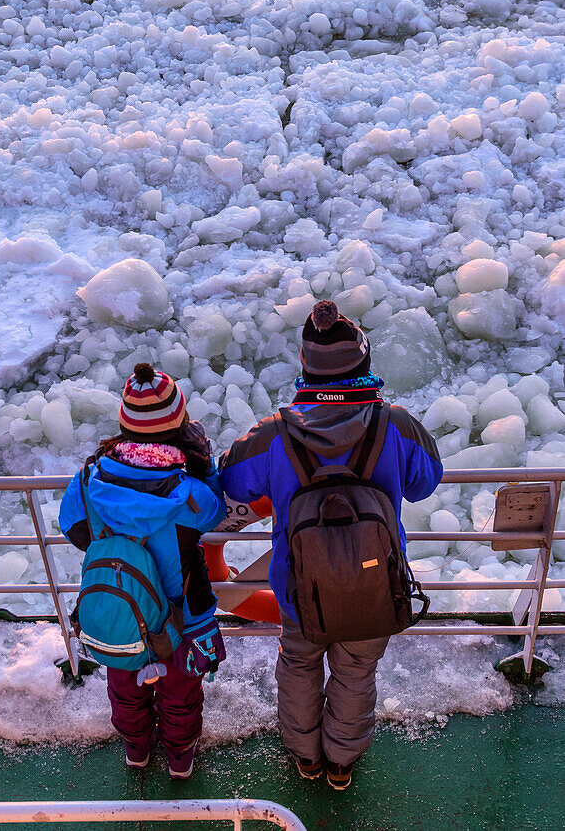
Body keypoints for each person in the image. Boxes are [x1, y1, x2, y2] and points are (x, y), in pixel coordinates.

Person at [219, 300, 442, 790]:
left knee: (299, 664)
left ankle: (306, 756)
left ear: (305, 367)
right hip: (375, 583)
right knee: (357, 670)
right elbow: (427, 482)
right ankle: (341, 762)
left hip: (300, 590)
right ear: (364, 363)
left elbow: (232, 480)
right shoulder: (396, 424)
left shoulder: (275, 433)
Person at [59, 363, 226, 779]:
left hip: (121, 611)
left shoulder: (87, 481)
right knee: (181, 693)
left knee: (125, 689)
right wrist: (203, 466)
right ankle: (180, 758)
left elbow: (75, 530)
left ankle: (136, 750)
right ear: (180, 423)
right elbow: (216, 512)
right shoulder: (190, 495)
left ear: (124, 423)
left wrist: (122, 546)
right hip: (181, 617)